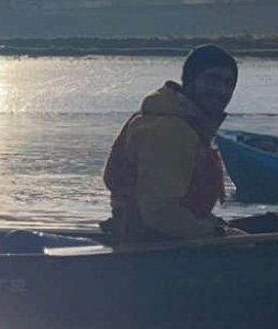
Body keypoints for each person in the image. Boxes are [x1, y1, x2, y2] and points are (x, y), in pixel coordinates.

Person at [102, 44, 239, 241]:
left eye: (229, 83)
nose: (221, 90)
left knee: (265, 225)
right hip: (151, 245)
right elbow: (159, 213)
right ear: (190, 81)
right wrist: (217, 233)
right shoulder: (169, 130)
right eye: (212, 79)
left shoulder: (188, 126)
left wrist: (218, 227)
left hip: (172, 236)